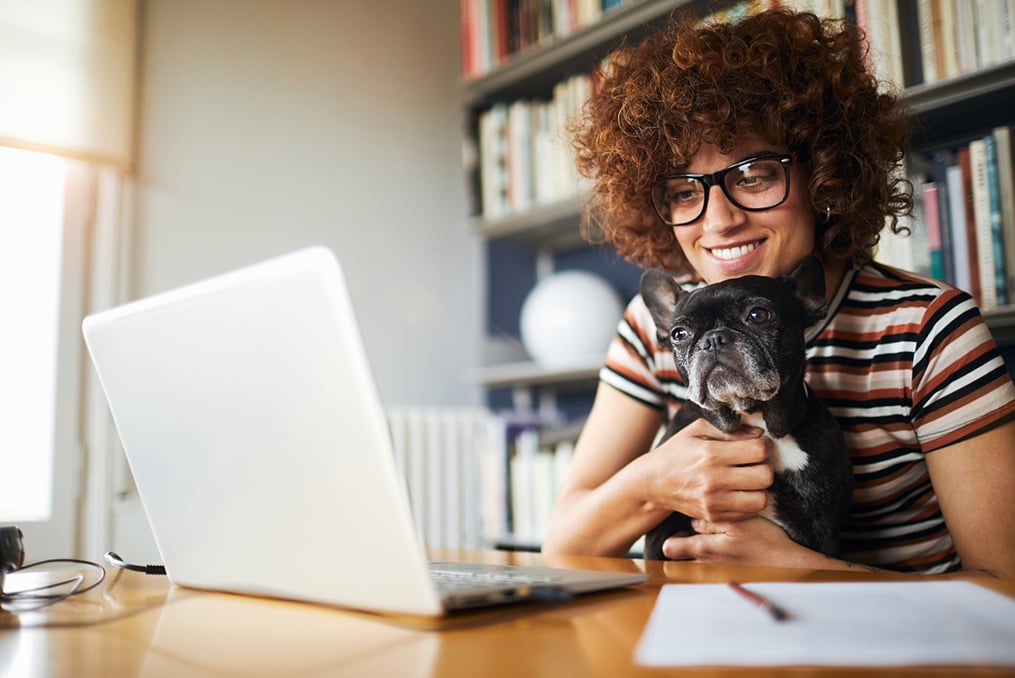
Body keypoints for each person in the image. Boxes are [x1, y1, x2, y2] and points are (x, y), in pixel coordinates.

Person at [541, 9, 1015, 577]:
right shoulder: (656, 328)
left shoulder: (928, 329)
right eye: (684, 192)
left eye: (753, 175)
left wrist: (806, 571)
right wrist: (652, 482)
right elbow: (564, 546)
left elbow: (1004, 590)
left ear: (824, 174)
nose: (718, 221)